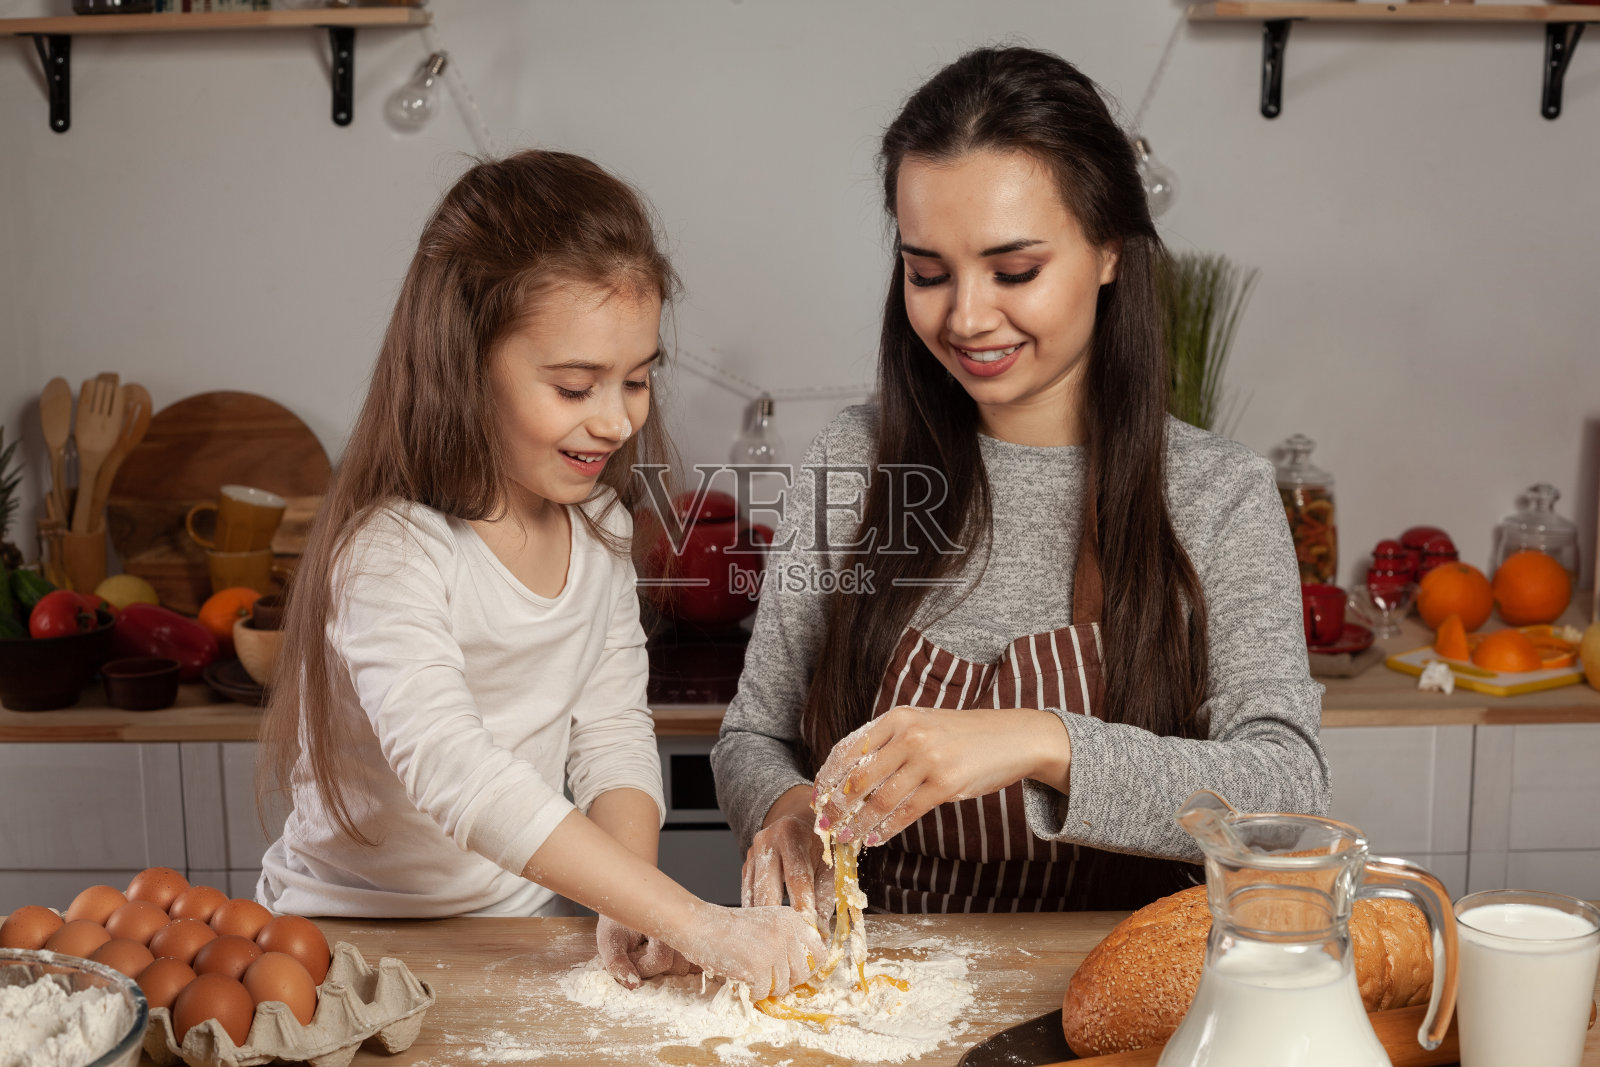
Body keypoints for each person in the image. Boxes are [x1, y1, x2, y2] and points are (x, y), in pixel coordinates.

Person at [712, 47, 1329, 919]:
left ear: (1110, 249)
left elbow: (1287, 796)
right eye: (927, 272)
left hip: (1117, 993)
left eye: (1014, 271)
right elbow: (754, 735)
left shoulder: (1214, 493)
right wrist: (785, 814)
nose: (964, 316)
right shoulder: (853, 464)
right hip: (874, 980)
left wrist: (1039, 739)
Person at [256, 150, 821, 998]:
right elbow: (457, 772)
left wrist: (629, 896)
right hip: (339, 944)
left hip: (514, 931)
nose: (616, 419)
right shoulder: (391, 552)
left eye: (635, 380)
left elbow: (612, 730)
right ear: (464, 363)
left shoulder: (600, 527)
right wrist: (691, 919)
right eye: (572, 386)